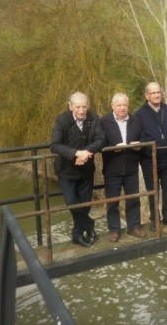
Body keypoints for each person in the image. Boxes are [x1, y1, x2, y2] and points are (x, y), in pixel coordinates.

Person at [50, 92, 105, 247]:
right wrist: (75, 154)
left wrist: (86, 153)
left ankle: (77, 235)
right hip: (66, 171)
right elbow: (54, 145)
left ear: (88, 106)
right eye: (78, 107)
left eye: (84, 106)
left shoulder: (94, 118)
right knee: (72, 202)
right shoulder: (62, 120)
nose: (81, 110)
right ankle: (90, 226)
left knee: (85, 204)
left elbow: (101, 139)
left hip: (86, 170)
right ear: (70, 106)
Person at [135, 82, 167, 230]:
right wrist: (149, 148)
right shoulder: (139, 114)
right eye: (153, 93)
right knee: (153, 189)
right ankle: (155, 219)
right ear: (146, 95)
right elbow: (139, 136)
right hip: (149, 159)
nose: (156, 95)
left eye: (158, 92)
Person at [99, 93, 146, 242]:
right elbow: (99, 143)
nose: (122, 108)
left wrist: (139, 146)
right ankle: (114, 230)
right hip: (112, 168)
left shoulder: (136, 121)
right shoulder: (103, 122)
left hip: (131, 166)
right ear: (112, 106)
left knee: (133, 199)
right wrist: (112, 148)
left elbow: (144, 139)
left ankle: (134, 227)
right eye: (119, 105)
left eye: (125, 105)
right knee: (112, 201)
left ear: (128, 106)